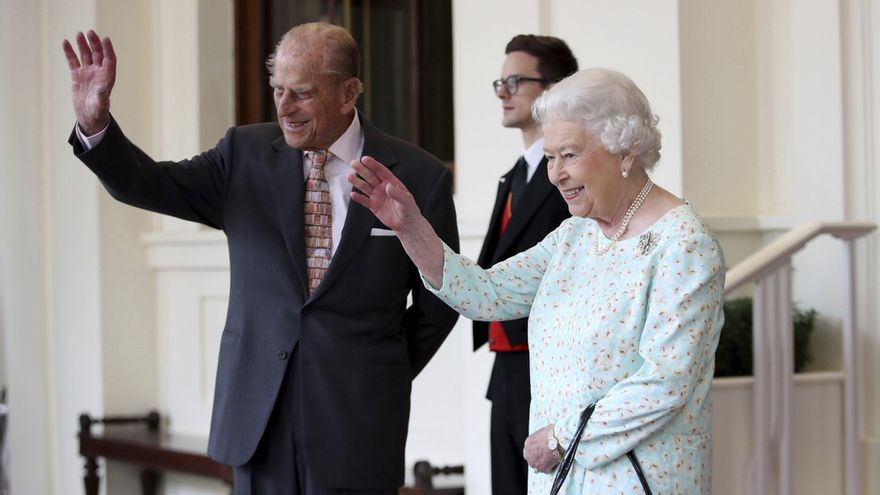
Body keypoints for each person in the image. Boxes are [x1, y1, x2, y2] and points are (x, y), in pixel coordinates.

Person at [62, 23, 459, 494]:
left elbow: (441, 299)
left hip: (358, 423)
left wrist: (378, 370)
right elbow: (149, 183)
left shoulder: (418, 176)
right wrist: (95, 127)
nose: (284, 108)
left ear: (349, 92)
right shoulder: (243, 155)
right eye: (277, 90)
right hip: (258, 422)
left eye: (302, 94)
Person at [348, 68, 725, 493]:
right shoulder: (575, 235)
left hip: (638, 479)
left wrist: (561, 438)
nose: (555, 174)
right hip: (561, 477)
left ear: (625, 151)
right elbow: (486, 295)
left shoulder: (684, 245)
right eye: (550, 157)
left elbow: (666, 382)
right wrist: (411, 227)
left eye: (569, 155)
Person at [478, 34, 575, 495]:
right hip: (508, 367)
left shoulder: (573, 176)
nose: (503, 91)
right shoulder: (514, 175)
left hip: (550, 364)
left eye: (516, 81)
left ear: (554, 88)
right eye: (501, 81)